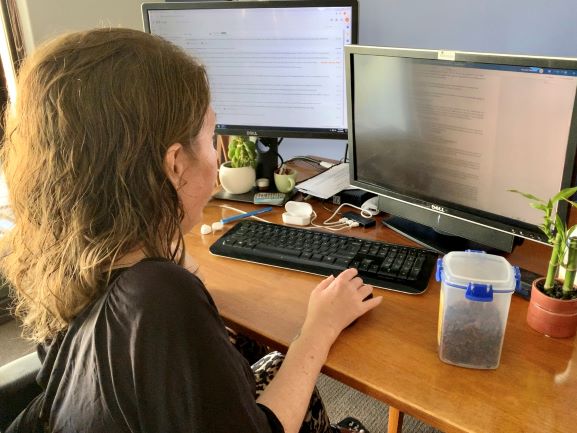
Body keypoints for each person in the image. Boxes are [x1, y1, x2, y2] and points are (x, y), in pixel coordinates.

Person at [0, 28, 382, 433]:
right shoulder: (158, 295)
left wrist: (163, 229)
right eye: (210, 137)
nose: (217, 161)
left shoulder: (72, 253)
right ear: (175, 163)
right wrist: (317, 329)